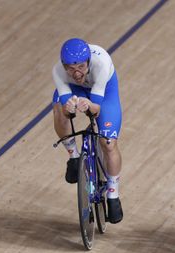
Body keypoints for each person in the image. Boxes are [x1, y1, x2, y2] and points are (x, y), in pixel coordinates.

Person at [52, 38, 123, 224]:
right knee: (59, 107)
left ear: (89, 62)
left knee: (108, 143)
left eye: (82, 67)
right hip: (77, 91)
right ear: (64, 65)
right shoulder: (58, 71)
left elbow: (96, 110)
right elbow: (68, 114)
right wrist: (69, 107)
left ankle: (113, 194)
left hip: (104, 93)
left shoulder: (101, 63)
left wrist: (89, 105)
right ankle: (74, 155)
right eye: (71, 69)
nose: (76, 73)